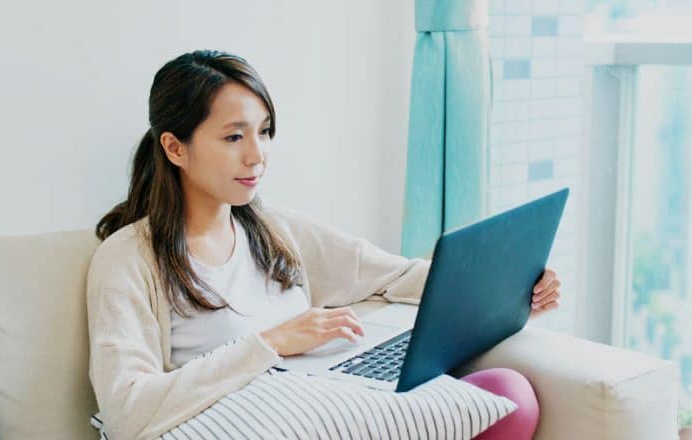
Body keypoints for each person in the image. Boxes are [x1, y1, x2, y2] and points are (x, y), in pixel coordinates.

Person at [87, 50, 562, 440]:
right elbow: (127, 410)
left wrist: (510, 287)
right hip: (254, 422)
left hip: (328, 401)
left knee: (509, 394)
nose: (257, 155)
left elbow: (394, 276)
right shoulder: (130, 258)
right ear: (175, 148)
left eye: (265, 131)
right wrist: (270, 343)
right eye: (234, 136)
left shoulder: (273, 229)